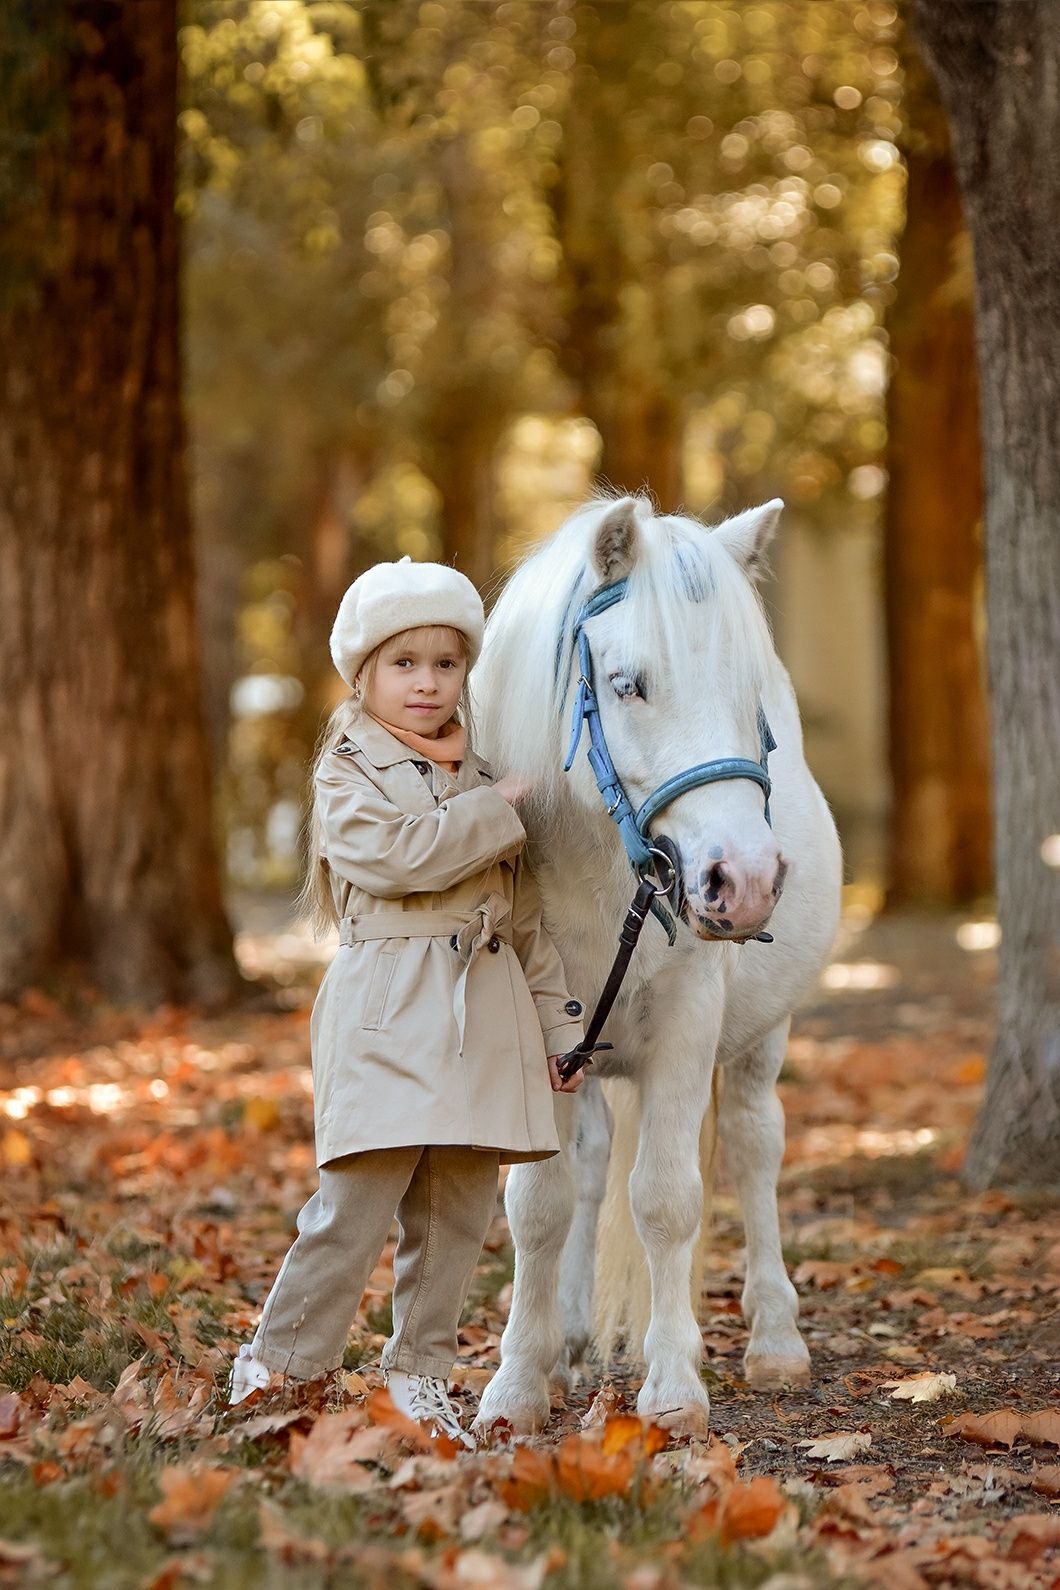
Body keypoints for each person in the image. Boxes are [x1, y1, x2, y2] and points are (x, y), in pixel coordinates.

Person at [227, 557, 585, 1446]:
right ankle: (278, 1367)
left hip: (483, 1013)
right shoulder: (347, 771)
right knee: (353, 1207)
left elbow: (527, 918)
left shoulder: (484, 774)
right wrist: (497, 809)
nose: (428, 682)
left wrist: (559, 1024)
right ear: (365, 674)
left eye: (447, 663)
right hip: (389, 1007)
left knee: (457, 1213)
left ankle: (417, 1378)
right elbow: (398, 856)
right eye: (405, 663)